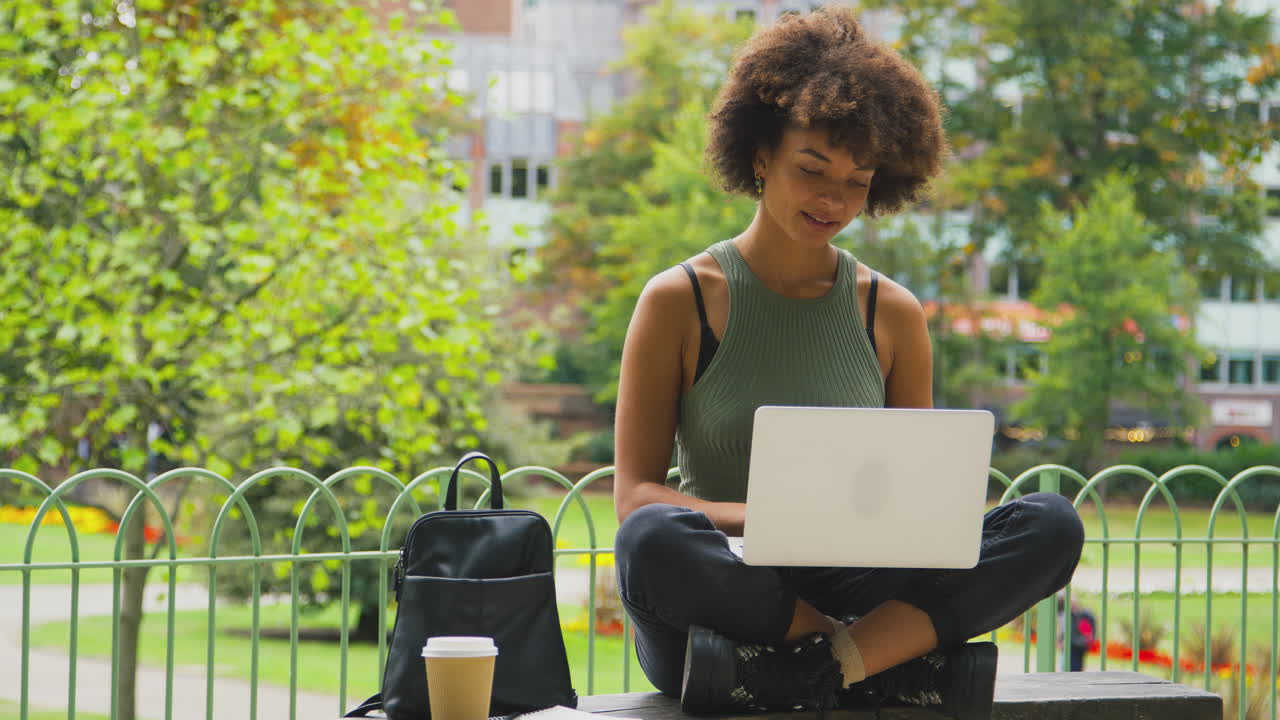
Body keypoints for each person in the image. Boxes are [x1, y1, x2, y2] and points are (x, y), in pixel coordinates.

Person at [610, 8, 1085, 720]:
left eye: (858, 180)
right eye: (812, 169)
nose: (834, 199)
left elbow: (917, 512)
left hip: (855, 588)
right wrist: (766, 521)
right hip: (729, 594)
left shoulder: (890, 313)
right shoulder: (679, 301)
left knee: (1051, 526)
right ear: (760, 155)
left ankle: (821, 669)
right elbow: (636, 496)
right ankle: (883, 663)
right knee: (650, 542)